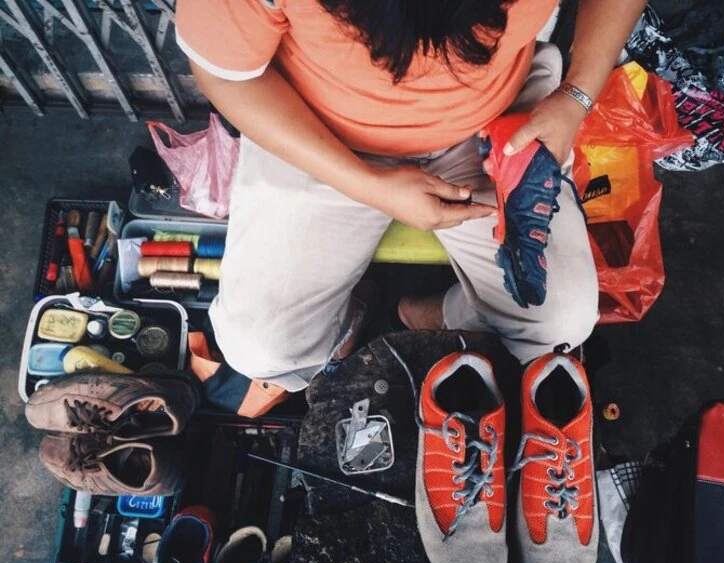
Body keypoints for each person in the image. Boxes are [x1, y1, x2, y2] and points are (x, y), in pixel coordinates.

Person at [176, 0, 647, 401]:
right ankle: (348, 318)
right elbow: (227, 76)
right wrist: (368, 185)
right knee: (260, 348)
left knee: (559, 324)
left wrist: (576, 96)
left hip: (493, 123)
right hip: (319, 135)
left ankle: (431, 316)